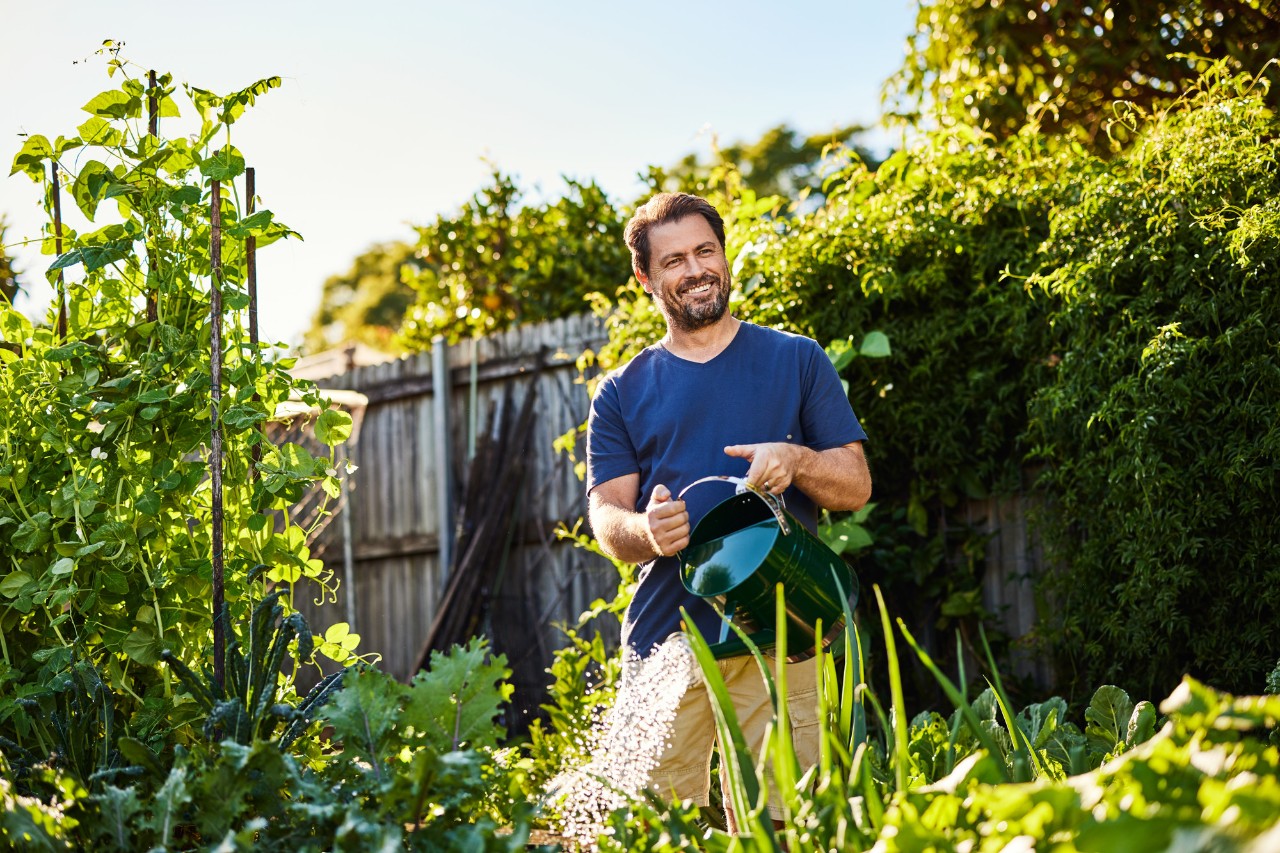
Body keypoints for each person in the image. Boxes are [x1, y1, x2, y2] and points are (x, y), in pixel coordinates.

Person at [585, 192, 871, 830]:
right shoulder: (621, 391)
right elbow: (608, 518)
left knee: (789, 829)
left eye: (705, 251)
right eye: (675, 260)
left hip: (784, 628)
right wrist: (646, 531)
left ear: (724, 253)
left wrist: (797, 460)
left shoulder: (795, 359)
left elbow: (854, 486)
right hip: (668, 636)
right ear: (646, 278)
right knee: (650, 829)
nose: (696, 270)